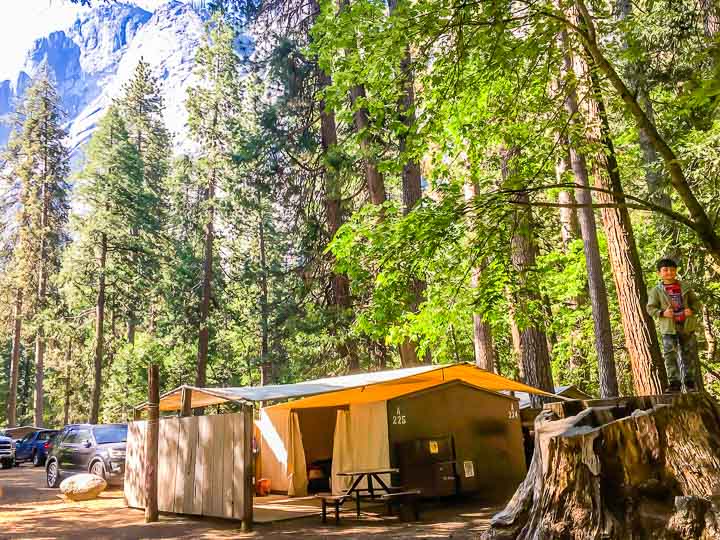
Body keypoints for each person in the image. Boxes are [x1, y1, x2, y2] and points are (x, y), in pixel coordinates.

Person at [647, 258, 701, 392]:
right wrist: (662, 313)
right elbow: (650, 308)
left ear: (676, 271)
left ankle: (690, 383)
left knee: (687, 353)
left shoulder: (685, 287)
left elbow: (697, 303)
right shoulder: (656, 290)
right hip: (668, 327)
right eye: (665, 270)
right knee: (670, 355)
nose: (669, 272)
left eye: (672, 270)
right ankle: (674, 383)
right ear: (659, 273)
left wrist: (692, 310)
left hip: (686, 325)